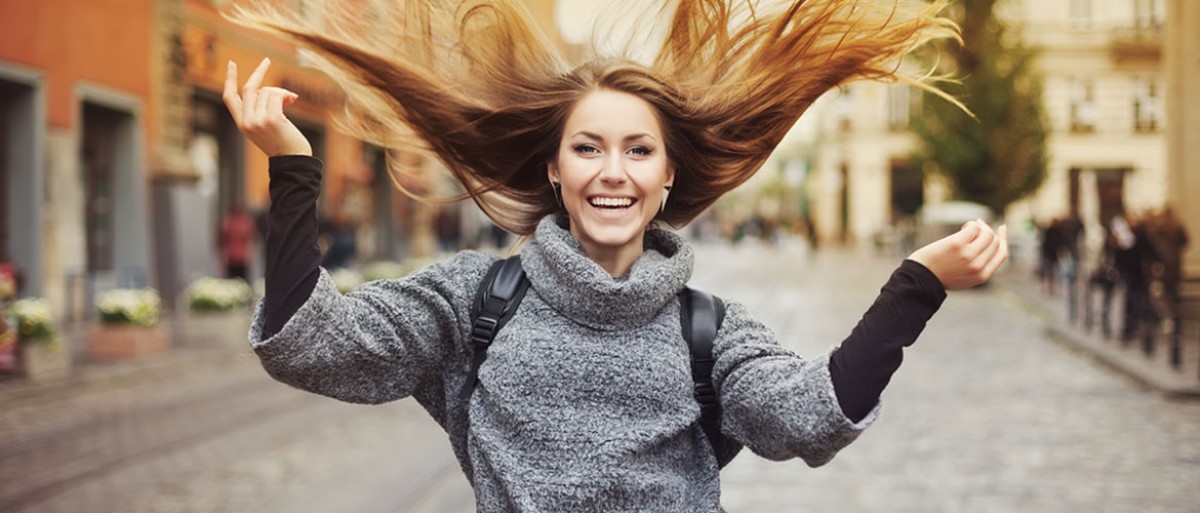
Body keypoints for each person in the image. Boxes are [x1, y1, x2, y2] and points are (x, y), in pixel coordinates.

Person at [222, 1, 1007, 511]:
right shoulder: (478, 300)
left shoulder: (709, 329)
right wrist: (292, 168)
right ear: (556, 170)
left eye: (638, 150)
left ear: (667, 176)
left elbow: (809, 416)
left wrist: (920, 282)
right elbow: (310, 343)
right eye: (588, 148)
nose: (612, 171)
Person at [218, 201, 256, 282]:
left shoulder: (229, 222)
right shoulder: (233, 222)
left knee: (234, 281)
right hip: (236, 256)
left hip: (238, 256)